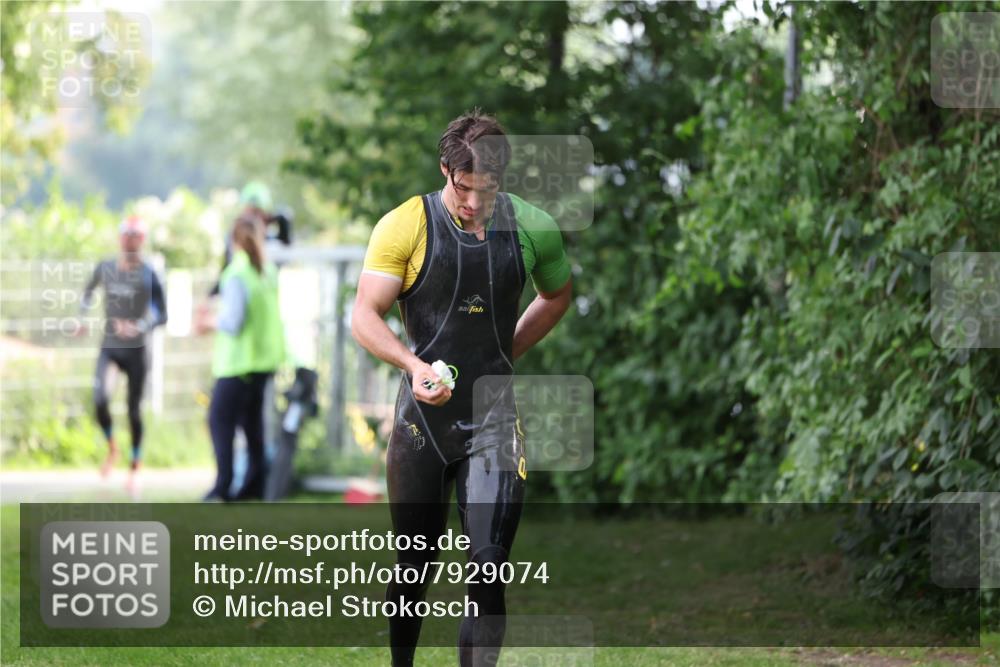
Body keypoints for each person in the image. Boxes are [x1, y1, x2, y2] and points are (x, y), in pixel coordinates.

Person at [351, 111, 572, 667]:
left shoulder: (532, 227)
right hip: (420, 424)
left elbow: (557, 294)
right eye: (464, 187)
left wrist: (507, 353)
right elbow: (365, 316)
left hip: (495, 420)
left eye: (488, 189)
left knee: (489, 564)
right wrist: (411, 364)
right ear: (445, 169)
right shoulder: (404, 225)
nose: (475, 202)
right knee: (414, 564)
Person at [196, 215, 285, 502]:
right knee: (252, 427)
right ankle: (253, 488)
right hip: (263, 363)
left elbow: (233, 322)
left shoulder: (237, 273)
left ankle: (222, 487)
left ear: (233, 240)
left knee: (219, 422)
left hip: (238, 364)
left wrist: (208, 323)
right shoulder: (267, 271)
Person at [80, 215, 167, 494]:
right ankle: (112, 448)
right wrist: (82, 317)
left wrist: (140, 326)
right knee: (100, 399)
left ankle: (135, 468)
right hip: (110, 347)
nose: (130, 241)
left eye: (136, 237)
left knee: (133, 411)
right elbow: (88, 292)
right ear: (120, 238)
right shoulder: (105, 268)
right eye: (126, 236)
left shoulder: (148, 274)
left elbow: (162, 313)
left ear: (142, 241)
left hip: (138, 351)